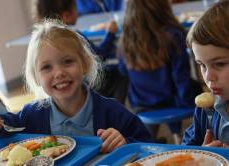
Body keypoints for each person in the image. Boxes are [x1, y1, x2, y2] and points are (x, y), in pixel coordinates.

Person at [0, 20, 152, 153]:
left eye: (67, 62)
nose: (59, 73)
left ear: (84, 64)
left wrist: (124, 142)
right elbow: (10, 128)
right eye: (47, 67)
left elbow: (147, 145)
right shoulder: (33, 114)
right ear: (36, 77)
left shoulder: (111, 111)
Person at [118, 0, 201, 142]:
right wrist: (188, 102)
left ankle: (152, 141)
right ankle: (186, 137)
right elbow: (181, 77)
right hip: (173, 101)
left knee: (146, 134)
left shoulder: (125, 39)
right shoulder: (173, 35)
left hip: (141, 104)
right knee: (204, 98)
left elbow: (123, 71)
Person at [33, 0, 128, 104]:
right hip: (90, 84)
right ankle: (116, 111)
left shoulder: (42, 40)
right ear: (66, 15)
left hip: (79, 86)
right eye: (75, 7)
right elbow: (98, 57)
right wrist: (110, 34)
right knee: (121, 75)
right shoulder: (73, 36)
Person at [182, 1, 229, 148]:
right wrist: (202, 154)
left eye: (220, 64)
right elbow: (185, 150)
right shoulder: (207, 109)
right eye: (202, 65)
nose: (208, 77)